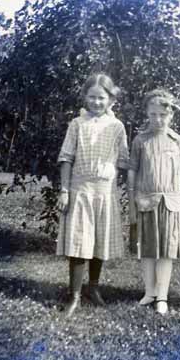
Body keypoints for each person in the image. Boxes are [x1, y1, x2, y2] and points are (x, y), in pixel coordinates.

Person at [56, 73, 129, 318]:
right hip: (80, 190)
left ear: (111, 100)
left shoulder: (117, 126)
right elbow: (66, 158)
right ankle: (74, 294)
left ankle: (93, 288)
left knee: (99, 241)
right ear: (85, 98)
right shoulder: (77, 124)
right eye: (92, 97)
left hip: (105, 191)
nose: (97, 102)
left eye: (102, 98)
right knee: (79, 242)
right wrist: (65, 190)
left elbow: (125, 159)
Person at [128, 89, 180, 315]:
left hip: (170, 203)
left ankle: (162, 296)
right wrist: (133, 197)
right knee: (147, 249)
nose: (158, 119)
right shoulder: (140, 140)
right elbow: (132, 171)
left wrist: (173, 184)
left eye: (163, 115)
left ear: (171, 115)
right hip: (145, 201)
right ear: (147, 113)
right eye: (153, 114)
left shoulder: (177, 141)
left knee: (166, 250)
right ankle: (149, 292)